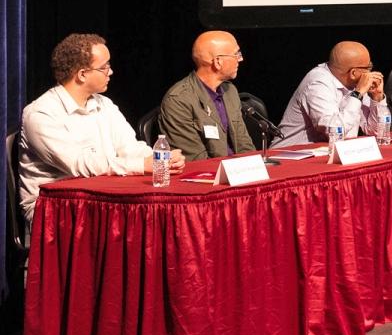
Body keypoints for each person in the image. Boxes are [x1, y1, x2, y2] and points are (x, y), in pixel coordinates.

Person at [17, 33, 186, 222]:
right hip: (53, 207)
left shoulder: (104, 104)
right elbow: (81, 165)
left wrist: (160, 160)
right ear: (82, 74)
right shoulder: (41, 114)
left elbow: (129, 146)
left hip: (99, 196)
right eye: (104, 67)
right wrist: (142, 165)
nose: (111, 72)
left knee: (158, 216)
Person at [157, 30, 256, 161]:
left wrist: (254, 166)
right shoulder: (179, 100)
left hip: (238, 172)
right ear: (218, 62)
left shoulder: (230, 91)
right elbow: (195, 160)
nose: (240, 59)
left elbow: (244, 143)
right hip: (207, 176)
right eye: (236, 54)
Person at [275, 41, 388, 146]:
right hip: (288, 157)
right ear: (353, 73)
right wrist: (357, 94)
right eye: (368, 67)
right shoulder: (318, 82)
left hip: (326, 154)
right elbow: (334, 131)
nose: (370, 72)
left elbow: (377, 132)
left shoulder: (355, 85)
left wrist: (376, 97)